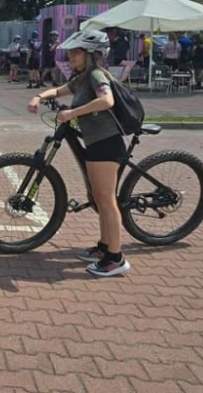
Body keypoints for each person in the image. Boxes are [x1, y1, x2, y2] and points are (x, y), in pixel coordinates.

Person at [27, 29, 131, 277]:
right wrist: (38, 96)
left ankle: (116, 259)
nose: (71, 56)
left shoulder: (96, 75)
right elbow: (61, 90)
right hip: (97, 142)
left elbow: (107, 101)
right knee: (99, 198)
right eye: (71, 51)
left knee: (106, 200)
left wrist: (73, 113)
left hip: (107, 143)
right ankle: (104, 247)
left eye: (76, 52)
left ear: (91, 54)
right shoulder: (83, 77)